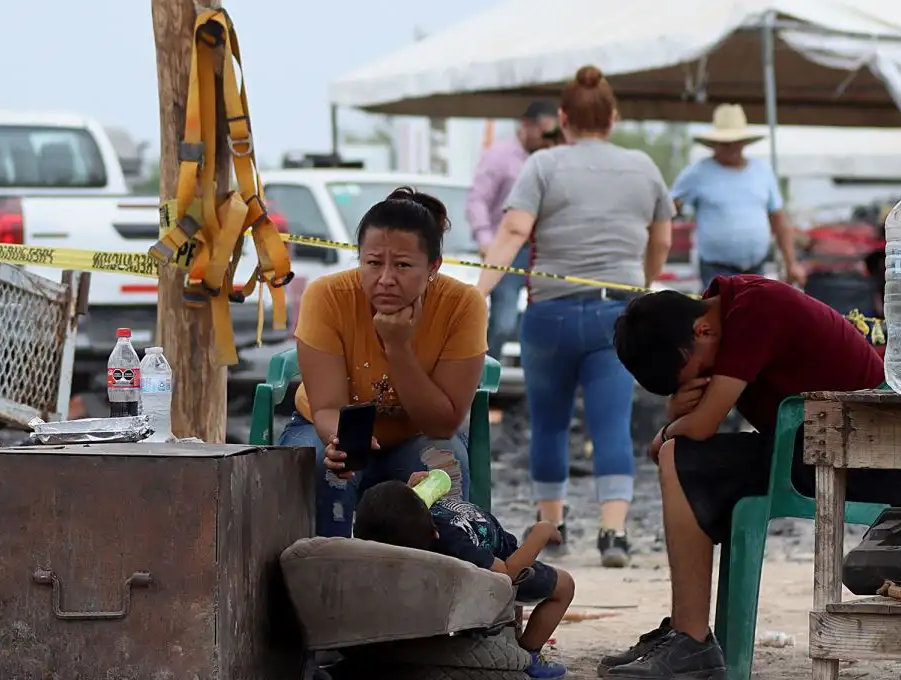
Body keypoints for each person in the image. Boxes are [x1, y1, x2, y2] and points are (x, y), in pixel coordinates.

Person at [600, 276, 901, 680]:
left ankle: (691, 639)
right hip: (816, 447)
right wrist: (677, 414)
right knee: (684, 459)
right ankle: (685, 630)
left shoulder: (754, 310)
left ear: (702, 330)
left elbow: (703, 424)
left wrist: (664, 433)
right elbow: (696, 424)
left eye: (700, 371)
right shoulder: (726, 313)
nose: (706, 377)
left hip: (867, 462)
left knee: (676, 456)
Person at [478, 67, 673, 568]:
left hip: (551, 312)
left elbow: (514, 230)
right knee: (611, 423)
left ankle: (552, 524)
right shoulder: (643, 167)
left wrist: (480, 291)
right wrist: (644, 281)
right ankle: (614, 532)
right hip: (616, 313)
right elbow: (662, 239)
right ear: (613, 117)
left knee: (548, 423)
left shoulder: (543, 165)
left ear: (562, 118)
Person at [278, 188, 488, 536]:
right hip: (327, 427)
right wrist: (341, 443)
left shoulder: (463, 305)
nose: (386, 279)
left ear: (433, 266)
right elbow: (327, 407)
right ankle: (326, 566)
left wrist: (398, 347)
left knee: (445, 467)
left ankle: (433, 567)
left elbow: (442, 424)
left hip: (418, 435)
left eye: (403, 265)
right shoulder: (327, 296)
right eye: (373, 263)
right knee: (325, 468)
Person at [354, 479, 575, 680]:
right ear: (434, 534)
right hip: (505, 561)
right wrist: (540, 534)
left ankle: (514, 642)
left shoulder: (405, 516)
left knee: (514, 609)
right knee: (564, 586)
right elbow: (507, 573)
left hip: (495, 550)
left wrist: (416, 487)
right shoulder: (454, 544)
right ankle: (528, 656)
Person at [670, 105, 805, 288]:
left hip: (756, 267)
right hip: (715, 269)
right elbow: (668, 209)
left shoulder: (762, 171)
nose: (731, 147)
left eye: (736, 142)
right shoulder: (697, 173)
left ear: (744, 143)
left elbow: (779, 219)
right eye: (725, 143)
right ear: (714, 144)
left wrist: (791, 263)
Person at [467, 100, 563, 359]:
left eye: (554, 133)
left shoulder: (555, 159)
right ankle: (484, 375)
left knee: (549, 323)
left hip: (544, 253)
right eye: (544, 132)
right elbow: (477, 199)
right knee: (503, 324)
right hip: (508, 250)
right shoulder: (499, 156)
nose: (547, 139)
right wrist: (486, 240)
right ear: (526, 125)